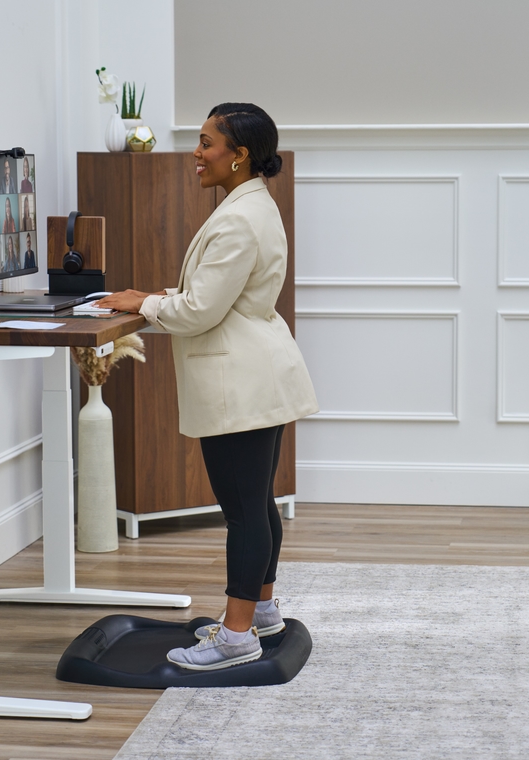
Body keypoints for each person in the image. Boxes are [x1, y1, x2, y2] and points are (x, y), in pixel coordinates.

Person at [95, 103, 318, 671]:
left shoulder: (240, 218)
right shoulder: (252, 205)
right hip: (256, 375)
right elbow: (214, 295)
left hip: (240, 381)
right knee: (256, 503)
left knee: (243, 511)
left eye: (206, 143)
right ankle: (261, 612)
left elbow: (197, 311)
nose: (196, 153)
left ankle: (236, 636)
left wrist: (143, 304)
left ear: (239, 155)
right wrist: (148, 297)